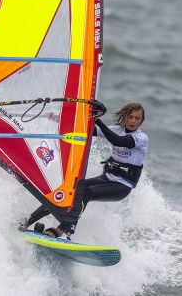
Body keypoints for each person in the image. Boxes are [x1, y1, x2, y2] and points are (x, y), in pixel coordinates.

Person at [22, 102, 148, 238]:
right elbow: (83, 128)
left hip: (122, 186)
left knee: (86, 193)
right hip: (106, 178)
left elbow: (118, 141)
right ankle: (25, 222)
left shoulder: (141, 138)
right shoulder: (116, 130)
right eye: (130, 117)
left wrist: (97, 119)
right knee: (68, 190)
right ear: (125, 117)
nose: (133, 121)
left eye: (137, 118)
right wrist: (55, 117)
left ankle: (62, 230)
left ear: (142, 120)